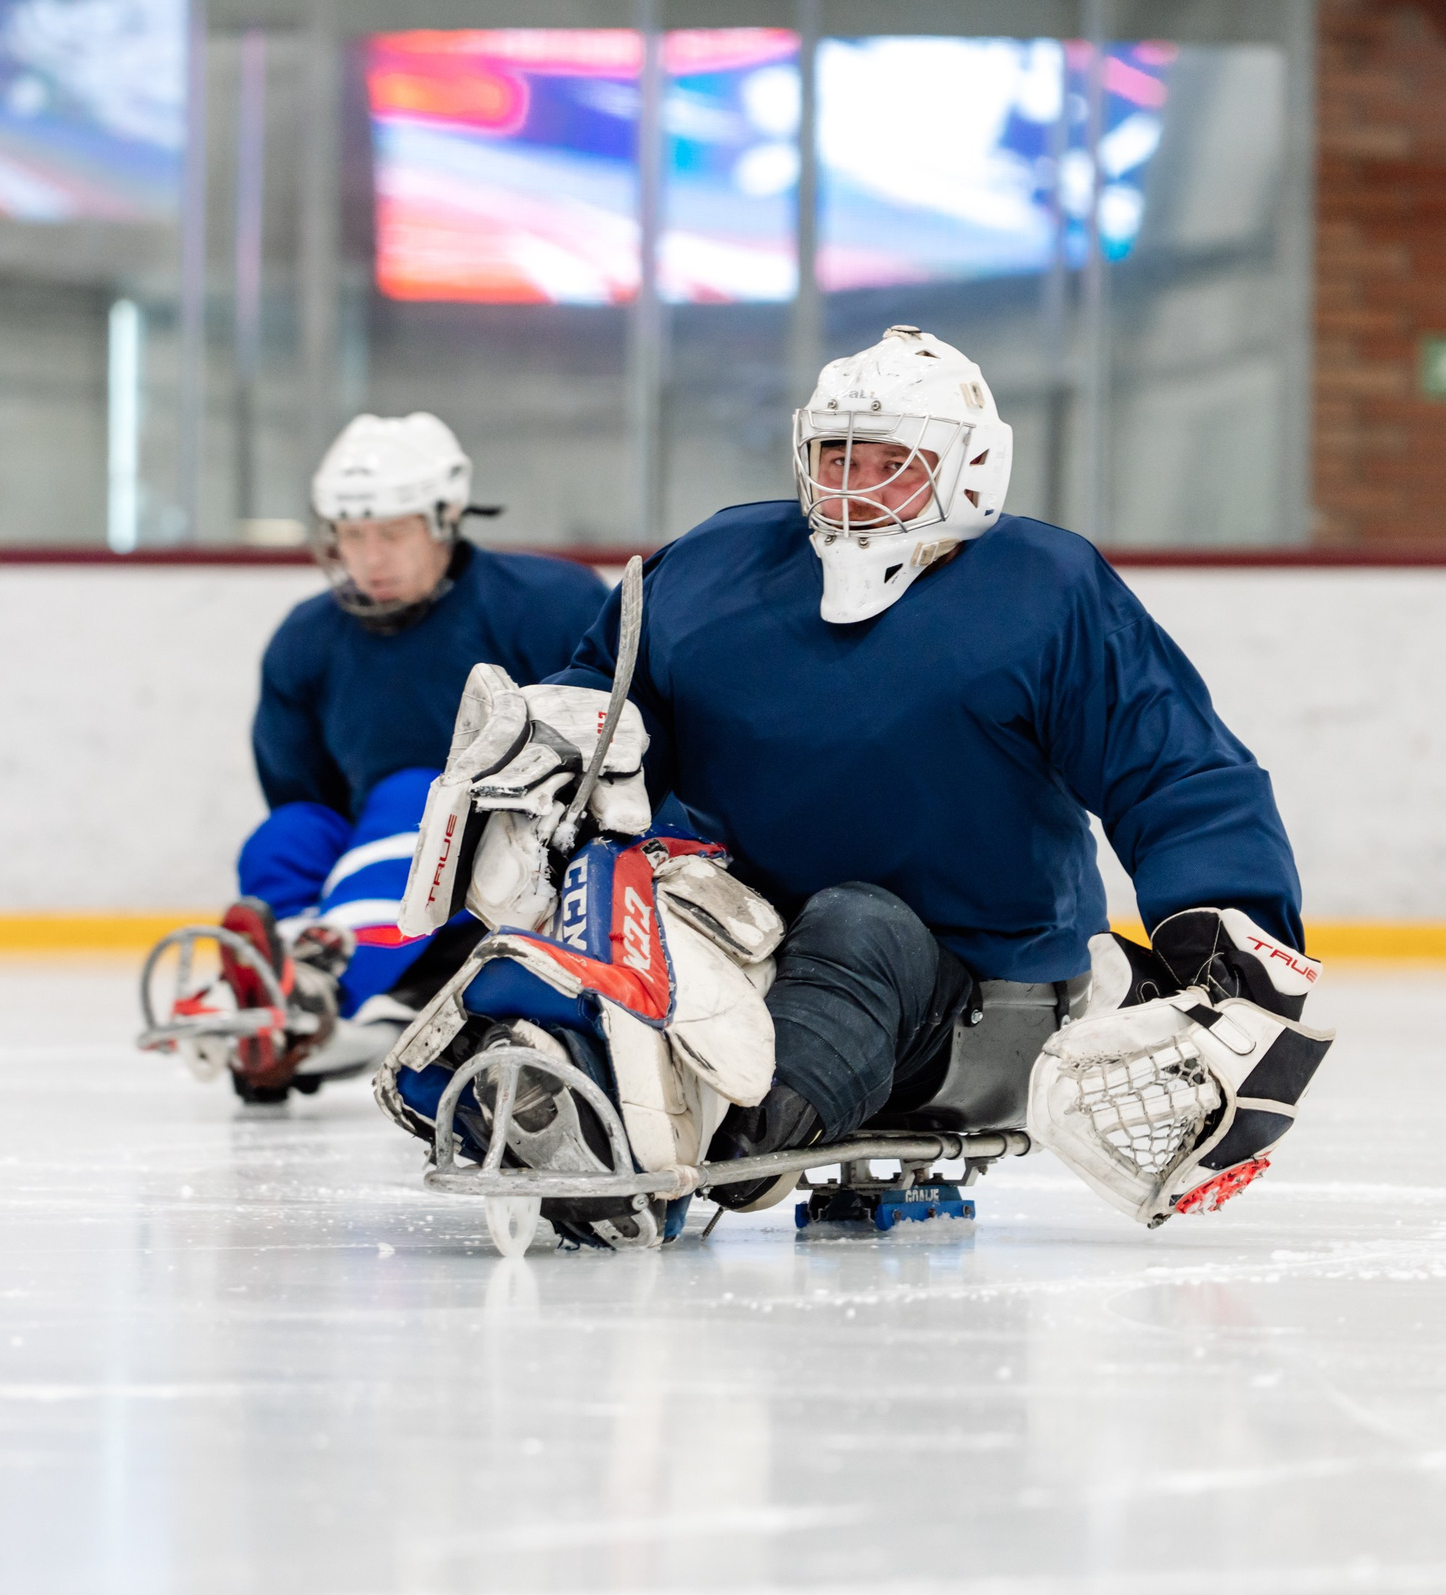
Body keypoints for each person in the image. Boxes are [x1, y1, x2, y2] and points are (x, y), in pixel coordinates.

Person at [400, 327, 1328, 1243]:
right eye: (836, 457)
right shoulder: (711, 569)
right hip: (749, 932)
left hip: (980, 992)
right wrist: (551, 752)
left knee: (857, 922)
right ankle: (547, 1081)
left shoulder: (1049, 593)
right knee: (626, 899)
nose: (853, 487)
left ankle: (719, 1138)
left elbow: (1178, 773)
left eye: (892, 463)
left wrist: (1234, 963)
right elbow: (607, 713)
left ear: (970, 471)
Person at [213, 412, 607, 1103]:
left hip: (515, 872)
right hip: (390, 876)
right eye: (351, 534)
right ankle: (282, 989)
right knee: (286, 835)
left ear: (445, 518)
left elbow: (610, 743)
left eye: (391, 533)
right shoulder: (305, 640)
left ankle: (319, 988)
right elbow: (301, 792)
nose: (370, 558)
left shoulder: (549, 605)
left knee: (413, 794)